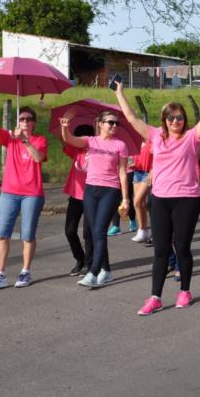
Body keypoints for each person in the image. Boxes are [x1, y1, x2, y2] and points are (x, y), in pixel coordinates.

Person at [114, 79, 200, 315]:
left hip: (187, 199)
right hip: (160, 200)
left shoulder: (191, 138)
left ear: (184, 120)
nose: (175, 121)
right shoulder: (155, 137)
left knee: (182, 247)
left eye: (179, 117)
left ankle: (185, 291)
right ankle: (155, 297)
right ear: (164, 121)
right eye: (171, 118)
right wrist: (120, 93)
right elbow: (131, 119)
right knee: (160, 250)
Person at [61, 110, 130, 288]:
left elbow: (122, 172)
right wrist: (65, 126)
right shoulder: (90, 141)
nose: (114, 126)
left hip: (110, 191)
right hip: (90, 190)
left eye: (117, 123)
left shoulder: (120, 145)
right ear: (100, 124)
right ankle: (106, 271)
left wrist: (126, 199)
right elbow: (70, 139)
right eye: (110, 122)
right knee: (93, 232)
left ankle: (93, 272)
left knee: (99, 231)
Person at [0, 107, 47, 290]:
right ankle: (0, 274)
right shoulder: (10, 138)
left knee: (28, 235)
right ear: (18, 122)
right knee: (1, 234)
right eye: (22, 119)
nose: (26, 122)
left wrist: (25, 141)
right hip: (9, 192)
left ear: (34, 123)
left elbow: (38, 157)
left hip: (32, 193)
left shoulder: (40, 140)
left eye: (29, 119)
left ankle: (25, 271)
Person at [61, 124, 95, 275]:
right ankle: (80, 258)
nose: (78, 140)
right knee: (69, 231)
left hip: (92, 197)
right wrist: (65, 127)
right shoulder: (75, 150)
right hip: (75, 195)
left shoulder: (98, 149)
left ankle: (90, 262)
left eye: (80, 137)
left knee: (88, 233)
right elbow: (65, 140)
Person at [130, 140, 153, 243]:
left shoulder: (152, 140)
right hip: (137, 172)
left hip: (149, 173)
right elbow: (131, 159)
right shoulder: (133, 142)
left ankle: (144, 230)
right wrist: (130, 161)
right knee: (140, 203)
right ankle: (143, 231)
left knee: (137, 201)